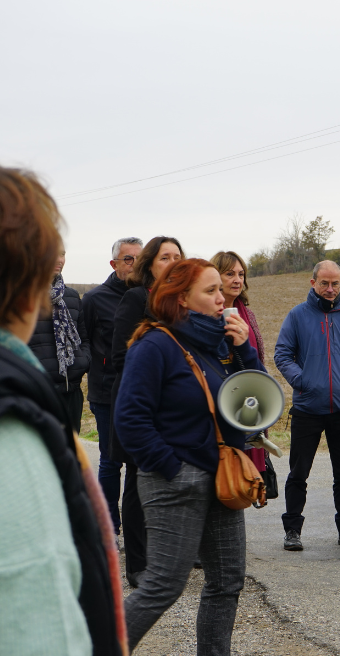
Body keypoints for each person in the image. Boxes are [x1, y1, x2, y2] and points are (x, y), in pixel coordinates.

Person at [0, 166, 126, 655]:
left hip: (62, 389)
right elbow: (40, 614)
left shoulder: (73, 300)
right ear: (31, 273)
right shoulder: (14, 427)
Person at [115, 258, 260, 654]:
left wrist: (244, 348)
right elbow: (129, 418)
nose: (222, 297)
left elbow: (256, 403)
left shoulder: (217, 344)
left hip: (221, 479)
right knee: (163, 584)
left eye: (221, 289)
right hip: (175, 480)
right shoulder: (156, 344)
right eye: (211, 290)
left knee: (227, 581)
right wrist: (171, 468)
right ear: (182, 299)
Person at [275, 260, 340, 551]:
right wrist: (302, 380)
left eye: (335, 283)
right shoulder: (297, 316)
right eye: (324, 283)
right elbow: (282, 354)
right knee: (298, 473)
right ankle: (292, 529)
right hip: (307, 408)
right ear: (313, 283)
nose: (330, 289)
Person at [110, 235, 184, 586]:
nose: (171, 261)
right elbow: (121, 356)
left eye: (177, 256)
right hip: (140, 404)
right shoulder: (135, 298)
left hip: (175, 409)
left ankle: (169, 556)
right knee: (139, 484)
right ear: (150, 264)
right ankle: (138, 565)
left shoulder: (183, 302)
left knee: (173, 483)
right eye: (164, 257)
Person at [82, 236, 143, 535]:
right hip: (107, 392)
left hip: (142, 392)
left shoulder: (149, 296)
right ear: (114, 264)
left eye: (138, 259)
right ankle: (110, 527)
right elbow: (85, 342)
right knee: (110, 461)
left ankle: (139, 525)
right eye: (128, 259)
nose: (134, 264)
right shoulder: (95, 299)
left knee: (139, 461)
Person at [211, 250, 269, 476]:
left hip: (249, 398)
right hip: (224, 402)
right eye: (229, 274)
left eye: (241, 274)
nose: (237, 280)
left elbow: (258, 357)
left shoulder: (248, 314)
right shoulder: (208, 316)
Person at [28, 239, 91, 433]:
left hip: (70, 391)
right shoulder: (19, 295)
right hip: (35, 393)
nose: (59, 259)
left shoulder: (70, 296)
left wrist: (83, 361)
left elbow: (84, 338)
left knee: (70, 456)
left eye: (62, 254)